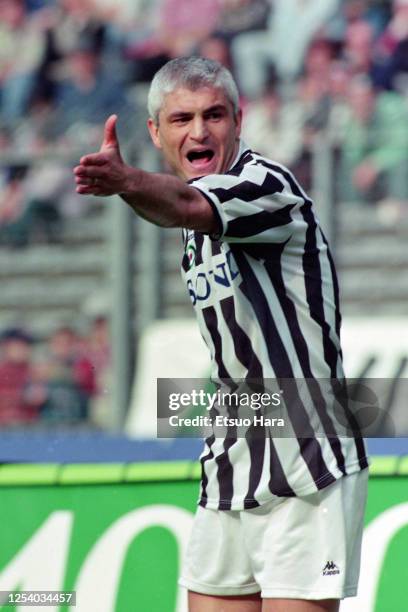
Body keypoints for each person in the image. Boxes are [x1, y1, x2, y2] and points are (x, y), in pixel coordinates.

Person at [74, 57, 369, 612]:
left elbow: (186, 203)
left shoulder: (264, 184)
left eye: (214, 115)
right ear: (156, 133)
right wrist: (132, 186)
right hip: (232, 454)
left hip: (308, 462)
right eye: (181, 119)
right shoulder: (193, 229)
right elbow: (179, 207)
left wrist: (126, 181)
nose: (200, 131)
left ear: (239, 120)